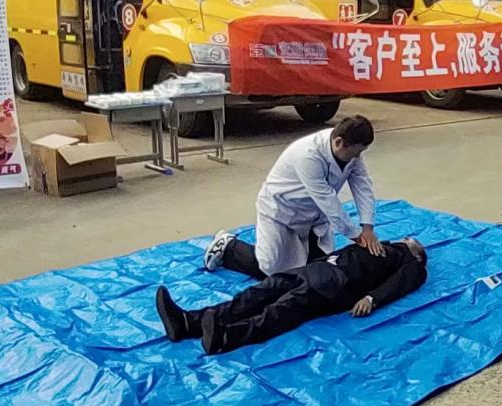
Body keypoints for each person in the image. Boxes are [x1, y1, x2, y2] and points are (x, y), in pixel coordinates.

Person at [159, 238, 428, 355]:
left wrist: (372, 298)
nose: (407, 238)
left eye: (411, 241)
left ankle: (226, 336)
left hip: (337, 282)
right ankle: (189, 322)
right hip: (318, 268)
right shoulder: (380, 244)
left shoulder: (411, 263)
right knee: (260, 292)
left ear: (418, 253)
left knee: (283, 308)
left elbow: (399, 284)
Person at [204, 116, 382, 279]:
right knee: (272, 269)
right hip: (281, 211)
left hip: (313, 215)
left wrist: (367, 227)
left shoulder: (351, 152)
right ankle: (229, 247)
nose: (357, 157)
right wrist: (356, 236)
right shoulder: (308, 155)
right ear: (338, 142)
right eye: (355, 152)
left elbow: (362, 185)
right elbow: (327, 200)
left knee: (317, 268)